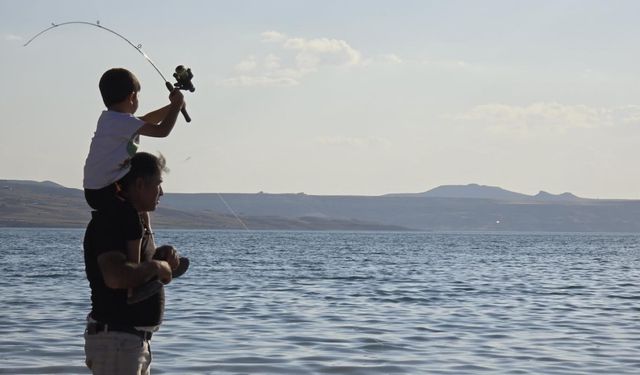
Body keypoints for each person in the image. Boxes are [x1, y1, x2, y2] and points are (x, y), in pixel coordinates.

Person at [82, 67, 184, 286]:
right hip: (103, 190)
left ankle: (151, 253)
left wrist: (173, 107)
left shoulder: (114, 120)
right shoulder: (121, 123)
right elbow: (162, 130)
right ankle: (135, 280)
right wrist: (176, 107)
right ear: (132, 96)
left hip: (102, 185)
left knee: (139, 209)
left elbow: (147, 119)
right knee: (132, 218)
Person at [83, 152, 180, 374]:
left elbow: (136, 268)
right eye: (158, 184)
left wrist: (160, 256)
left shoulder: (134, 222)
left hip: (130, 343)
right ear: (139, 184)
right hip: (117, 342)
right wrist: (158, 267)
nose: (161, 193)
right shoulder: (112, 219)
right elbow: (116, 276)